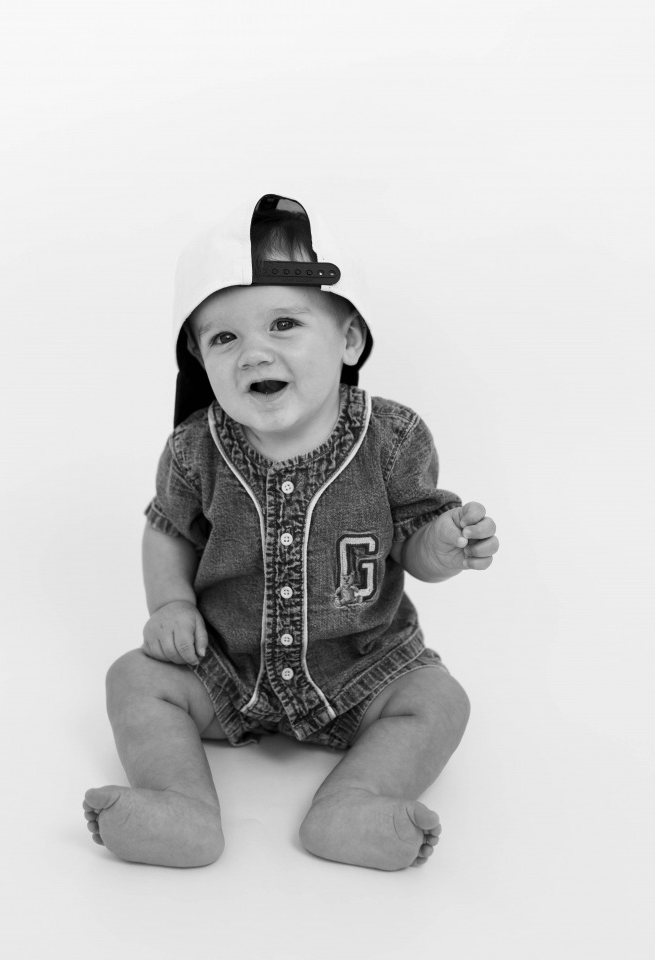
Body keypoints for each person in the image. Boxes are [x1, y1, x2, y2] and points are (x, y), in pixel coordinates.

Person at [83, 193, 498, 871]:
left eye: (284, 324)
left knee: (439, 700)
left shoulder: (392, 439)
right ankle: (181, 804)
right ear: (199, 359)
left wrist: (444, 545)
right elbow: (168, 532)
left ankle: (354, 803)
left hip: (364, 669)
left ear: (350, 340)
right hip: (226, 667)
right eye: (224, 338)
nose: (254, 353)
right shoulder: (194, 450)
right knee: (133, 677)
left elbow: (414, 542)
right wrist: (172, 606)